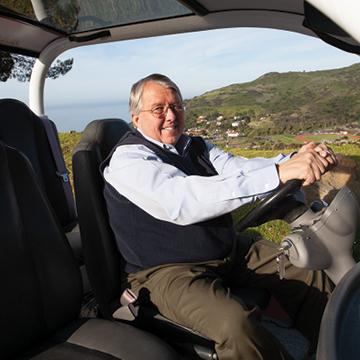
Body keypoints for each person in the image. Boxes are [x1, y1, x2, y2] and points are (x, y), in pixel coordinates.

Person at [102, 73, 337, 360]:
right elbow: (184, 199)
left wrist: (295, 158)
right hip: (166, 270)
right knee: (236, 325)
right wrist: (278, 174)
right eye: (159, 109)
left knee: (307, 269)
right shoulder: (128, 161)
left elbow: (240, 169)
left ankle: (336, 347)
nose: (171, 115)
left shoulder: (195, 147)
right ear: (136, 118)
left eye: (176, 106)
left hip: (226, 250)